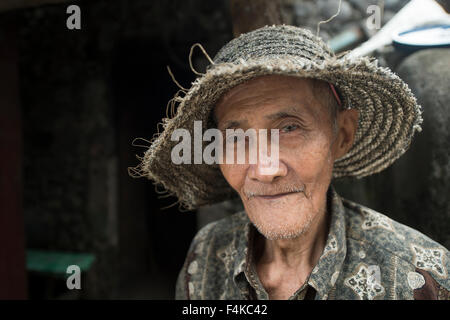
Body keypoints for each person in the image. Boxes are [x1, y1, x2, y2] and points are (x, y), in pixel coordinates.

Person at [132, 25, 449, 300]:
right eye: (237, 138)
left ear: (342, 135)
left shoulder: (420, 277)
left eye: (289, 128)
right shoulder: (206, 254)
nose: (265, 170)